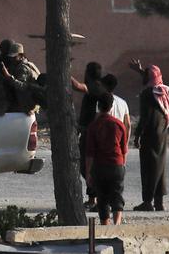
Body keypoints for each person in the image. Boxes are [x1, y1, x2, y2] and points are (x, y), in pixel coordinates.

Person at [129, 62, 169, 211]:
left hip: (150, 134)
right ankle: (159, 202)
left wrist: (137, 135)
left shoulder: (147, 94)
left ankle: (147, 201)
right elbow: (152, 78)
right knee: (159, 166)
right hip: (162, 133)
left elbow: (145, 117)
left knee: (148, 167)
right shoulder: (162, 90)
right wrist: (141, 71)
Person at [86, 93, 128, 225]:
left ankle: (105, 225)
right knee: (117, 195)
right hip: (117, 165)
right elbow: (124, 149)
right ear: (111, 107)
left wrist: (88, 173)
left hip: (100, 166)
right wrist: (122, 166)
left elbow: (90, 154)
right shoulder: (119, 124)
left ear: (99, 106)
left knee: (102, 197)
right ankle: (117, 224)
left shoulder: (93, 126)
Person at [71, 62, 106, 209]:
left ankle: (95, 197)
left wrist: (66, 72)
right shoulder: (99, 86)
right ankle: (94, 197)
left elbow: (78, 87)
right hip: (90, 131)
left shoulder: (94, 87)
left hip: (90, 133)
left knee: (87, 166)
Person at [1, 42, 43, 114]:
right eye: (11, 57)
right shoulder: (29, 63)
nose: (12, 59)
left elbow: (22, 86)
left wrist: (8, 76)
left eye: (14, 57)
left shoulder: (23, 68)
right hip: (35, 102)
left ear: (21, 56)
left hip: (30, 104)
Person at [100, 74, 131, 143]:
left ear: (104, 86)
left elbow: (98, 121)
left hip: (105, 141)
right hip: (119, 139)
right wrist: (125, 144)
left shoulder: (101, 101)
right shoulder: (123, 102)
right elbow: (128, 125)